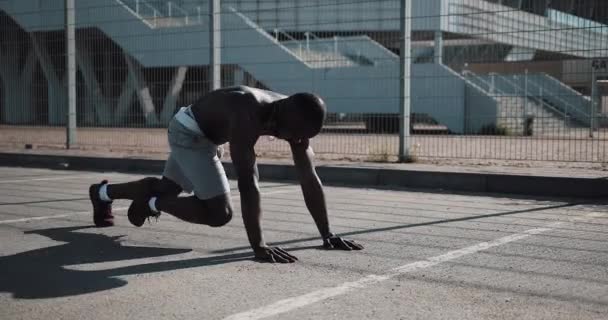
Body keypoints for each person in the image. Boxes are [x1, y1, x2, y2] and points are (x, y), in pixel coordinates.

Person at [89, 85, 363, 263]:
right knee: (219, 212)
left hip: (210, 136)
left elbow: (309, 178)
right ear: (282, 118)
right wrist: (259, 246)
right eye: (297, 136)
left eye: (304, 138)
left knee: (166, 189)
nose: (299, 142)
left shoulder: (294, 116)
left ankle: (103, 193)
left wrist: (327, 234)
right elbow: (248, 182)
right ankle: (151, 203)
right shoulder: (248, 111)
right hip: (189, 133)